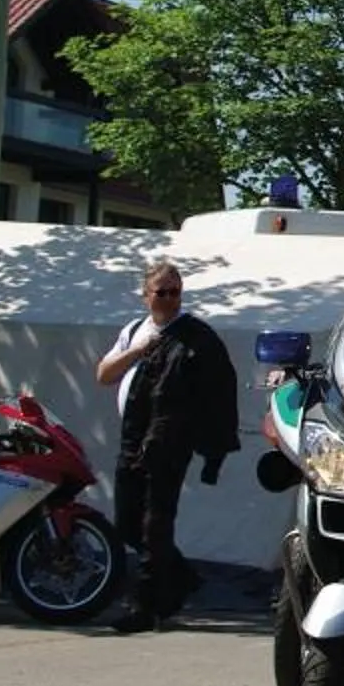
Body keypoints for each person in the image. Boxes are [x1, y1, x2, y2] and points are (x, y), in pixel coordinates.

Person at [95, 260, 241, 635]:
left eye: (175, 292)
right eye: (161, 292)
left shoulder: (196, 337)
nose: (169, 299)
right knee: (126, 522)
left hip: (168, 443)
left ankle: (145, 605)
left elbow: (218, 393)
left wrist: (211, 447)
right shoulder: (134, 331)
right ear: (146, 296)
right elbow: (104, 375)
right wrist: (138, 351)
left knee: (154, 526)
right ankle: (182, 579)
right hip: (131, 438)